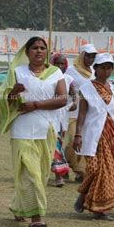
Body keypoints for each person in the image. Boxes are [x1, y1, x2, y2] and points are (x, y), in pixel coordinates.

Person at [0, 36, 67, 227]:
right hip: (22, 130)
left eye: (42, 48)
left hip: (46, 131)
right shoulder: (17, 72)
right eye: (34, 48)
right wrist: (12, 93)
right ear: (26, 52)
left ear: (47, 52)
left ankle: (19, 207)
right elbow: (5, 100)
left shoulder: (55, 73)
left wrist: (36, 104)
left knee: (41, 175)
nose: (38, 51)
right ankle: (37, 217)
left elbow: (62, 99)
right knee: (30, 173)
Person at [73, 53, 114, 221]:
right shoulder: (87, 88)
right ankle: (83, 194)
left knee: (107, 171)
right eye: (102, 67)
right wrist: (78, 134)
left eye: (109, 68)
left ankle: (100, 210)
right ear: (96, 69)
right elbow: (82, 114)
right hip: (93, 134)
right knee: (93, 169)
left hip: (110, 135)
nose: (106, 71)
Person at [64, 43, 98, 182]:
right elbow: (64, 87)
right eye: (88, 56)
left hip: (88, 113)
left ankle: (79, 171)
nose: (90, 59)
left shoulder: (94, 72)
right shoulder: (71, 70)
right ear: (82, 56)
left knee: (84, 142)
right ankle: (66, 164)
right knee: (73, 140)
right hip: (73, 111)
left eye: (93, 57)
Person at [50, 53, 76, 187]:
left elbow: (74, 94)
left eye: (62, 64)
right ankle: (59, 173)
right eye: (57, 63)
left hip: (61, 117)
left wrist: (74, 103)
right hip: (48, 116)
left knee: (57, 145)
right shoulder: (48, 77)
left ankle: (59, 173)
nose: (60, 66)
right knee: (52, 146)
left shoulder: (68, 78)